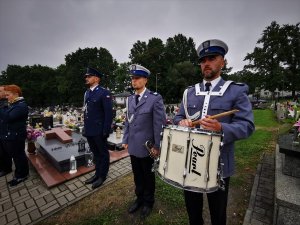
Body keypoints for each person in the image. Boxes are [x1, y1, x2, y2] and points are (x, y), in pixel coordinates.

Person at [173, 39, 255, 225]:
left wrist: (221, 128)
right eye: (203, 60)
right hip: (191, 161)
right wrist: (182, 122)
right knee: (193, 211)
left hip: (219, 164)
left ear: (222, 62)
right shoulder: (189, 92)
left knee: (218, 214)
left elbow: (247, 126)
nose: (206, 63)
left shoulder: (235, 91)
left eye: (212, 58)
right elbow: (177, 118)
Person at [122, 64, 166, 219]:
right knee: (137, 175)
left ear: (145, 80)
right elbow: (127, 121)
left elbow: (159, 124)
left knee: (148, 176)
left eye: (137, 78)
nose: (134, 81)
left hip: (147, 147)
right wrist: (125, 139)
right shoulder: (129, 100)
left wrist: (157, 145)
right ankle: (139, 198)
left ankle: (148, 202)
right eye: (132, 78)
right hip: (134, 145)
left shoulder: (155, 98)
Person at [83, 67, 113, 189]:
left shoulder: (104, 92)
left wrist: (105, 131)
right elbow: (86, 111)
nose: (86, 78)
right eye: (86, 76)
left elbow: (108, 114)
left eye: (89, 76)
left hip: (99, 130)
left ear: (96, 78)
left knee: (103, 154)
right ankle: (97, 174)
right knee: (95, 154)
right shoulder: (87, 93)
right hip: (89, 130)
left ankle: (102, 176)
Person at [0, 84, 29, 186]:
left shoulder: (21, 105)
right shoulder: (14, 104)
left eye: (8, 95)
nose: (6, 97)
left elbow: (8, 118)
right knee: (16, 156)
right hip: (12, 135)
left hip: (16, 136)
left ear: (16, 94)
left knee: (19, 156)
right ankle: (19, 174)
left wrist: (1, 107)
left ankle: (21, 175)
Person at [0, 85, 13, 177]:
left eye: (0, 91)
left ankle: (6, 168)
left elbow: (5, 117)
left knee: (4, 151)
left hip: (4, 130)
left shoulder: (5, 103)